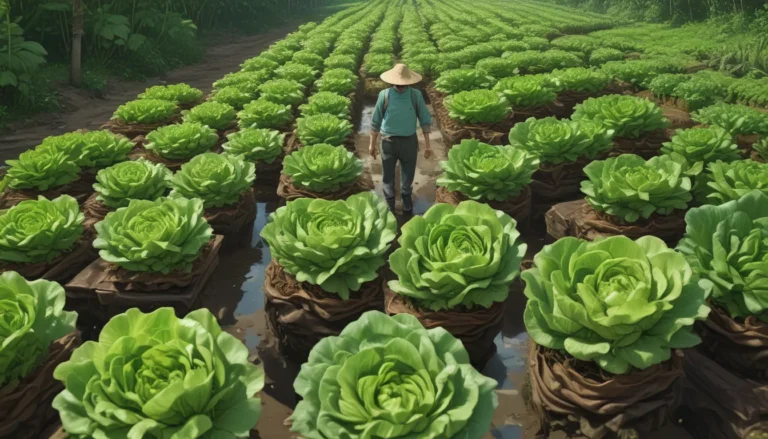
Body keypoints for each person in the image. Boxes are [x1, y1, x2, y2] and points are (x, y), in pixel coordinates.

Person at [369, 64, 432, 215]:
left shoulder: (415, 95)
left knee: (408, 174)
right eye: (398, 84)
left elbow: (424, 119)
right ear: (392, 82)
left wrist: (428, 146)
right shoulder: (385, 95)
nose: (401, 87)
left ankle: (406, 200)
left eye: (404, 84)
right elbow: (376, 120)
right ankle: (389, 202)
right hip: (388, 142)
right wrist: (372, 144)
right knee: (388, 175)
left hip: (408, 142)